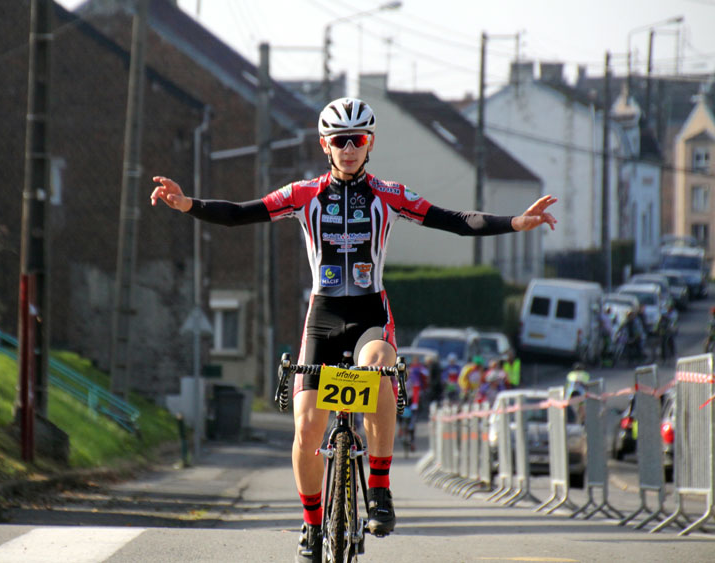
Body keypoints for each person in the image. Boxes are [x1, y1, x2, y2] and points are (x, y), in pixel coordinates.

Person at [150, 97, 557, 562]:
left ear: (370, 143)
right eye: (339, 140)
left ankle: (380, 488)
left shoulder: (388, 194)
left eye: (357, 139)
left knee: (380, 367)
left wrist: (516, 222)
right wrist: (187, 205)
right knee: (306, 429)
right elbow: (242, 212)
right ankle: (310, 523)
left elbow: (454, 222)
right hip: (322, 318)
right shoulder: (304, 195)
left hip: (369, 316)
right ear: (325, 145)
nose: (348, 148)